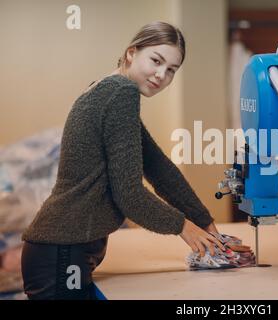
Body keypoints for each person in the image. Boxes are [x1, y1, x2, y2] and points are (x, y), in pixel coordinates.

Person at [21, 21, 225, 300]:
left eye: (171, 70)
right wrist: (185, 228)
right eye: (156, 60)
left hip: (62, 250)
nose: (161, 75)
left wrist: (205, 222)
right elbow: (129, 195)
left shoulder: (108, 89)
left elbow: (158, 168)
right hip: (62, 251)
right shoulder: (120, 92)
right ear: (131, 53)